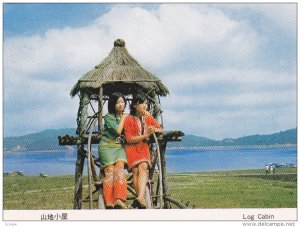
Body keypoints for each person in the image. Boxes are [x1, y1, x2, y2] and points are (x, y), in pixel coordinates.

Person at [123, 93, 163, 208]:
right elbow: (129, 139)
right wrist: (145, 135)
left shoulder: (148, 117)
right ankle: (140, 198)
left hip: (144, 148)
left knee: (143, 167)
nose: (145, 106)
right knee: (135, 171)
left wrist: (154, 129)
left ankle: (139, 197)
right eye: (142, 103)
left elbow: (161, 129)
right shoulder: (128, 119)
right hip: (131, 148)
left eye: (146, 103)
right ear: (135, 105)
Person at [98, 92, 128, 209]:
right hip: (106, 146)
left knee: (119, 169)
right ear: (113, 104)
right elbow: (118, 131)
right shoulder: (109, 117)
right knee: (110, 171)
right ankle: (109, 202)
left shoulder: (126, 116)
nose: (121, 104)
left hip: (119, 147)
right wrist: (124, 118)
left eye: (122, 101)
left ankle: (119, 199)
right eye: (117, 102)